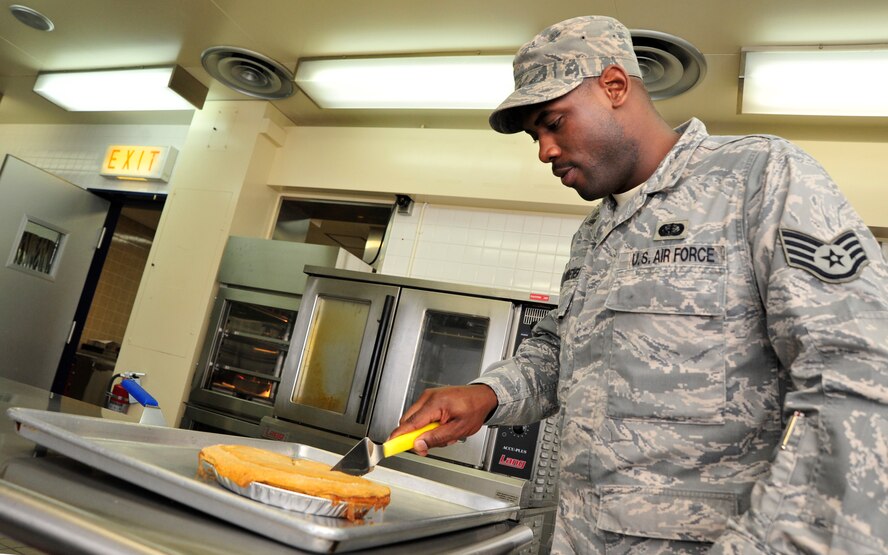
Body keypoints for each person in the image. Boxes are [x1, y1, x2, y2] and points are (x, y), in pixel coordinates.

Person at [389, 14, 888, 555]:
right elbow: (562, 351)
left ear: (614, 86)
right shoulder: (594, 234)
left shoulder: (758, 177)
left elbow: (858, 378)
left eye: (554, 122)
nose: (544, 151)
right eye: (536, 135)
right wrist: (487, 394)